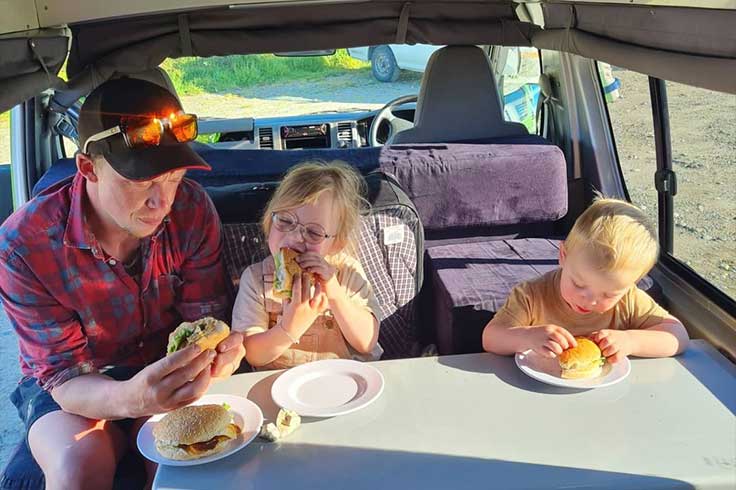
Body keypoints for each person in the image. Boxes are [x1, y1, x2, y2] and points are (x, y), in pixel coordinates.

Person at [0, 77, 245, 489]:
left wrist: (220, 354)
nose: (161, 201)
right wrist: (135, 397)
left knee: (186, 461)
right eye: (141, 181)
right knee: (79, 465)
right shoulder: (24, 246)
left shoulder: (191, 208)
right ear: (88, 167)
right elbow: (62, 375)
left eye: (173, 177)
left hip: (167, 367)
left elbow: (204, 319)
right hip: (76, 385)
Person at [482, 198, 689, 363]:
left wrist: (631, 341)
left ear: (632, 283)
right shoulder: (531, 295)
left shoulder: (630, 300)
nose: (589, 300)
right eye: (579, 284)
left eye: (609, 294)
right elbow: (491, 338)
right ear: (563, 255)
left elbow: (678, 336)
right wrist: (527, 337)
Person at [232, 161, 382, 369]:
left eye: (313, 233)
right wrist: (289, 327)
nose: (295, 236)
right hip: (279, 383)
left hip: (343, 380)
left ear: (336, 244)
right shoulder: (256, 280)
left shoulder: (346, 274)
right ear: (269, 221)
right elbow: (252, 354)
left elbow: (366, 342)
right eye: (285, 221)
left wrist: (335, 293)